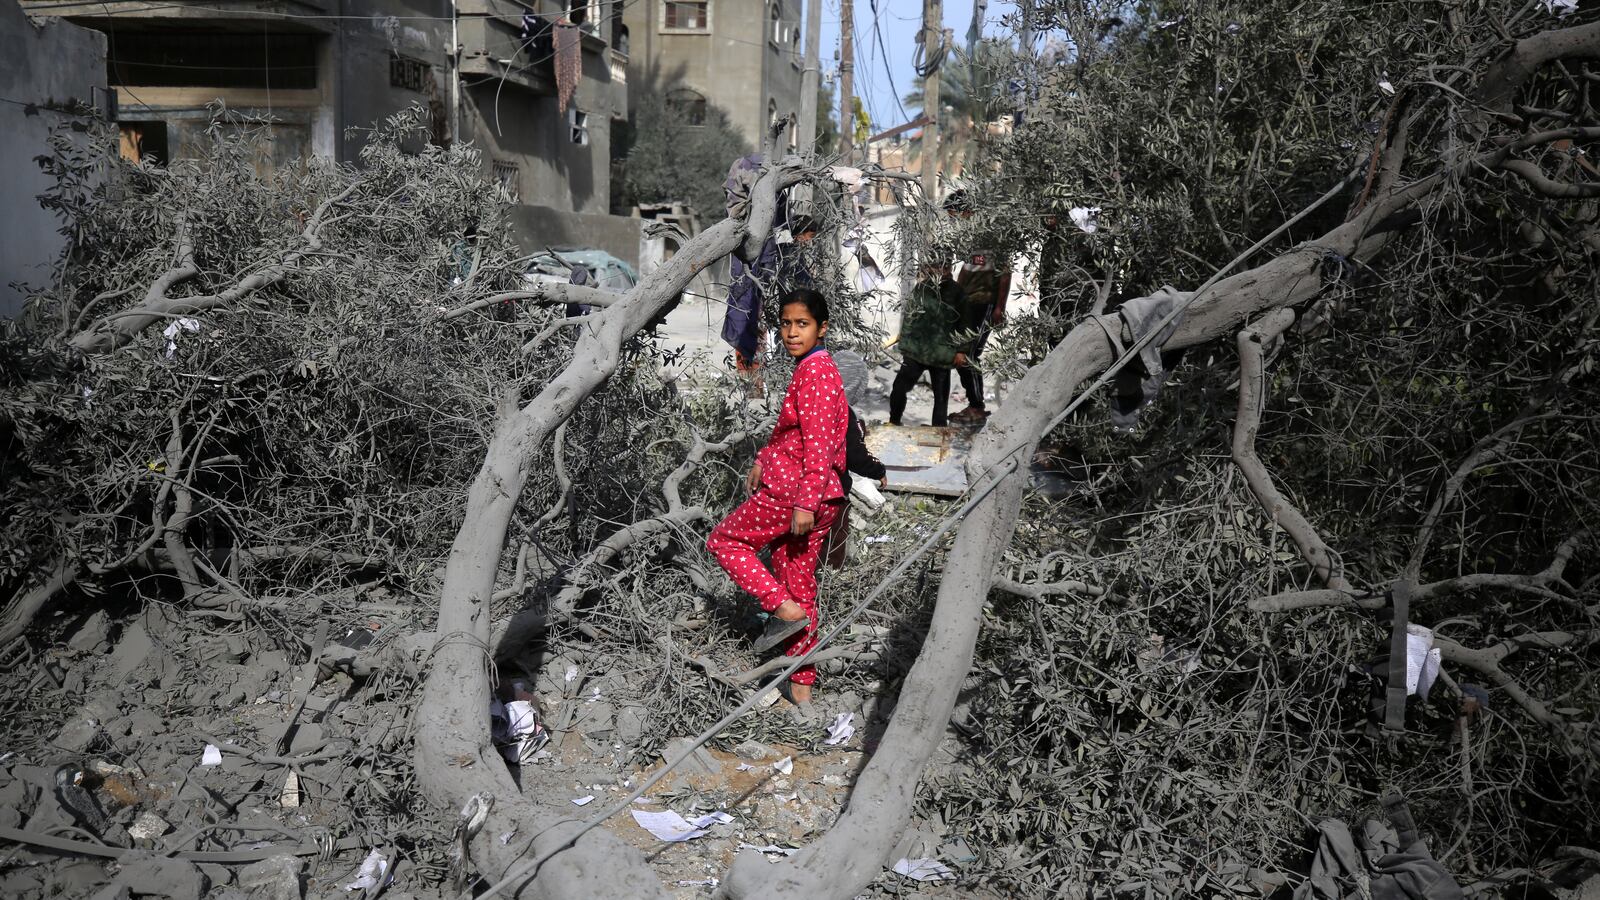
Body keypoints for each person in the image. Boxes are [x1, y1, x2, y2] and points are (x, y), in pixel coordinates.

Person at [706, 289, 849, 713]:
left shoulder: (816, 374)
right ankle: (802, 690)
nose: (791, 332)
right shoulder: (814, 367)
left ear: (822, 328)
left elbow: (819, 446)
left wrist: (804, 503)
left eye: (802, 324)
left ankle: (780, 608)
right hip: (821, 496)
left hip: (795, 494)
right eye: (786, 324)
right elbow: (794, 434)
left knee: (725, 542)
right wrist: (763, 459)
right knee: (800, 585)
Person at [945, 190, 1011, 423]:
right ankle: (974, 404)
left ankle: (977, 407)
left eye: (954, 215)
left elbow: (1005, 273)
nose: (952, 221)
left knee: (969, 355)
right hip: (968, 303)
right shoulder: (966, 238)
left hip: (985, 303)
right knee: (960, 355)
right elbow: (966, 271)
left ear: (967, 212)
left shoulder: (991, 235)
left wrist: (999, 307)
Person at [824, 351, 888, 568]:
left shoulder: (815, 406)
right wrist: (878, 470)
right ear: (857, 386)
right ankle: (829, 577)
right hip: (833, 492)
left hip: (805, 488)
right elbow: (855, 455)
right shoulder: (845, 414)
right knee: (835, 538)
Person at [889, 255, 969, 427]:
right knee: (899, 388)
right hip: (917, 351)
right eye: (937, 266)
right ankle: (894, 422)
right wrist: (906, 345)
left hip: (942, 354)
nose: (941, 270)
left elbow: (965, 324)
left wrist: (962, 350)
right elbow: (910, 317)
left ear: (950, 268)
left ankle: (938, 432)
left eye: (945, 266)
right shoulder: (922, 288)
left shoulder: (957, 292)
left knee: (941, 399)